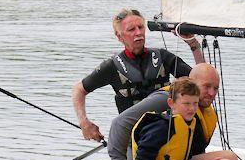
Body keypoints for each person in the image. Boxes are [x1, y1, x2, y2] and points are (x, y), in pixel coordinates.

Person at [72, 8, 204, 141]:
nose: (138, 33)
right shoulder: (111, 66)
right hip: (134, 140)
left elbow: (201, 80)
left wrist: (193, 44)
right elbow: (79, 90)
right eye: (131, 29)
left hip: (168, 134)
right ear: (119, 36)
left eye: (140, 27)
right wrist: (84, 123)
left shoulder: (162, 57)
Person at [105, 62, 237, 160]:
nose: (212, 93)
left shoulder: (195, 108)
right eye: (207, 86)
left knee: (231, 159)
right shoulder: (167, 103)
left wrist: (195, 47)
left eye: (215, 88)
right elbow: (120, 124)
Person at [132, 77, 240, 160]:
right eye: (186, 103)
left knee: (230, 158)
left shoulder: (187, 122)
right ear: (171, 103)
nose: (192, 109)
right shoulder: (161, 127)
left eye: (195, 103)